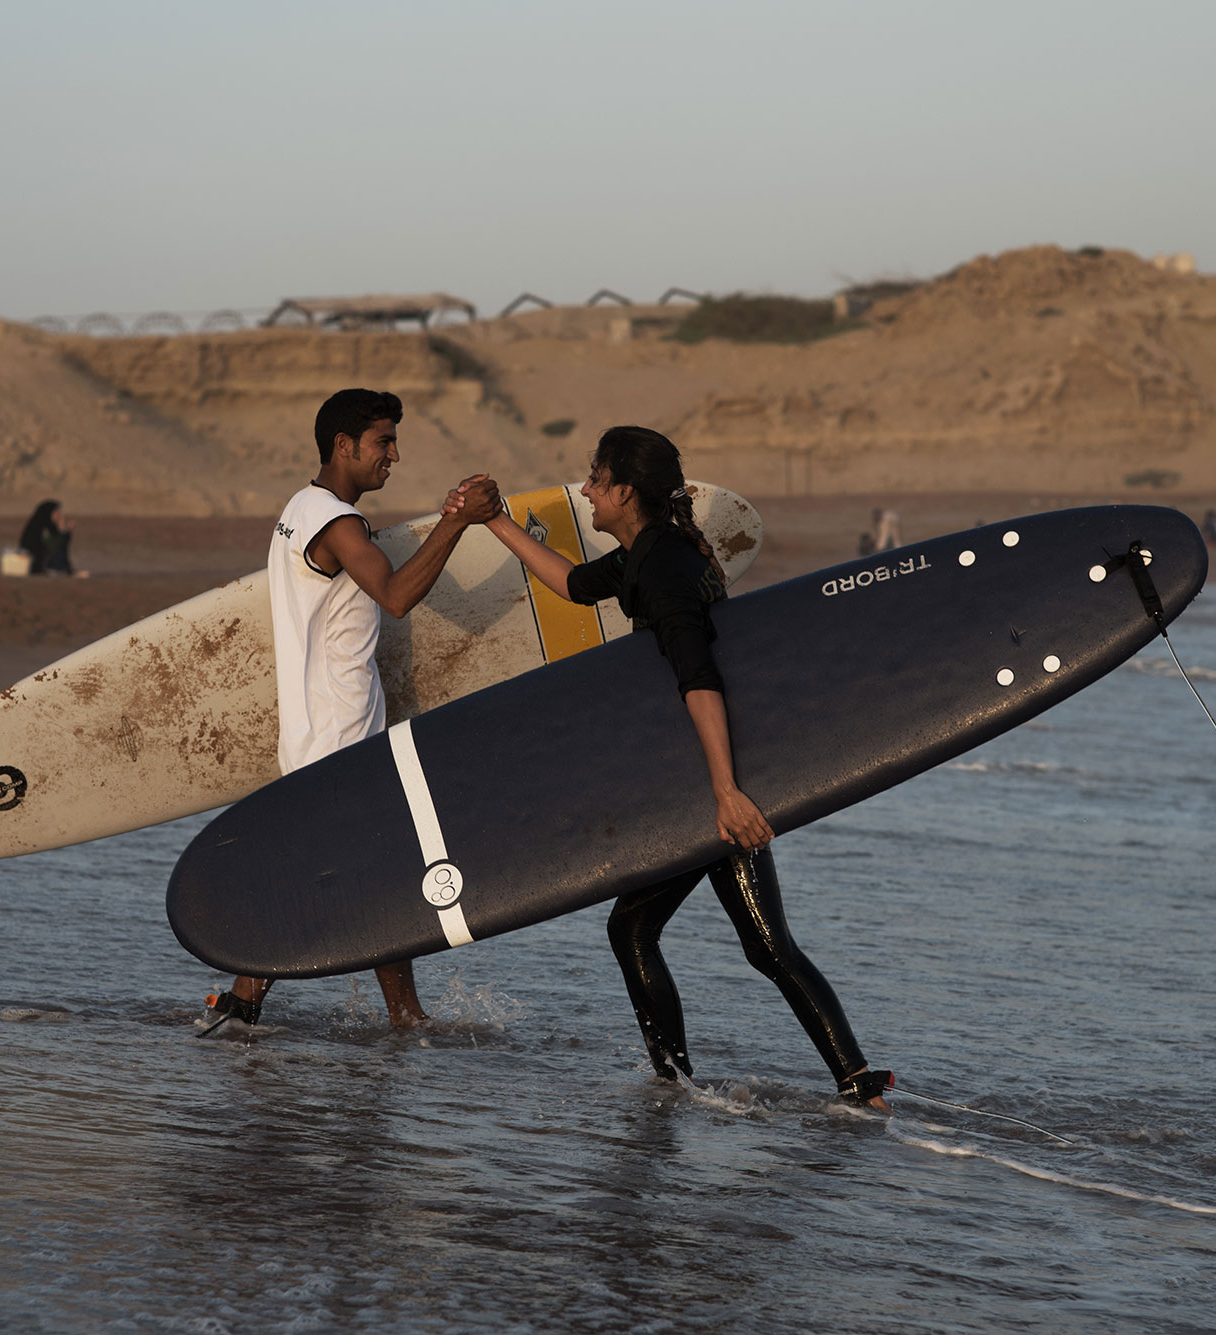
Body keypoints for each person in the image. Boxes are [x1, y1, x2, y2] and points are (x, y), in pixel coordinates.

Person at [482, 426, 890, 1109]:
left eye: (595, 478)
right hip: (702, 774)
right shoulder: (653, 552)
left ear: (625, 492)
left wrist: (726, 793)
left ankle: (685, 1083)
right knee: (750, 942)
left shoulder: (665, 569)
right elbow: (577, 584)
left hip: (708, 779)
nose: (585, 489)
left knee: (676, 933)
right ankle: (846, 1083)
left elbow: (699, 676)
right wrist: (494, 521)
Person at [202, 388, 503, 1032]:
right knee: (376, 877)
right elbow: (394, 596)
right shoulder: (333, 522)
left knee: (341, 877)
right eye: (383, 442)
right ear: (344, 445)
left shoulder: (300, 509)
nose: (393, 455)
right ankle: (402, 1019)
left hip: (327, 736)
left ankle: (244, 1008)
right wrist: (455, 520)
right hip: (336, 741)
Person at [17, 500, 85, 577]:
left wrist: (64, 531)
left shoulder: (49, 526)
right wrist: (63, 531)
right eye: (56, 513)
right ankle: (60, 570)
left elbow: (59, 543)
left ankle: (64, 570)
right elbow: (55, 545)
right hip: (35, 563)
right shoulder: (38, 527)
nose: (59, 516)